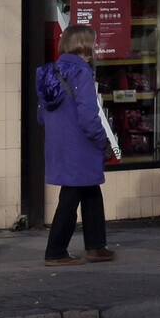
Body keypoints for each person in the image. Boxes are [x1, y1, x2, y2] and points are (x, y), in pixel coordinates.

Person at [35, 22, 114, 263]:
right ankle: (56, 251)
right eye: (93, 45)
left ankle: (96, 246)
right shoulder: (82, 73)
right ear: (86, 47)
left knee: (91, 191)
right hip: (80, 146)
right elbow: (89, 116)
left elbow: (41, 116)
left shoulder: (50, 73)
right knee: (70, 197)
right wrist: (103, 142)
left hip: (59, 145)